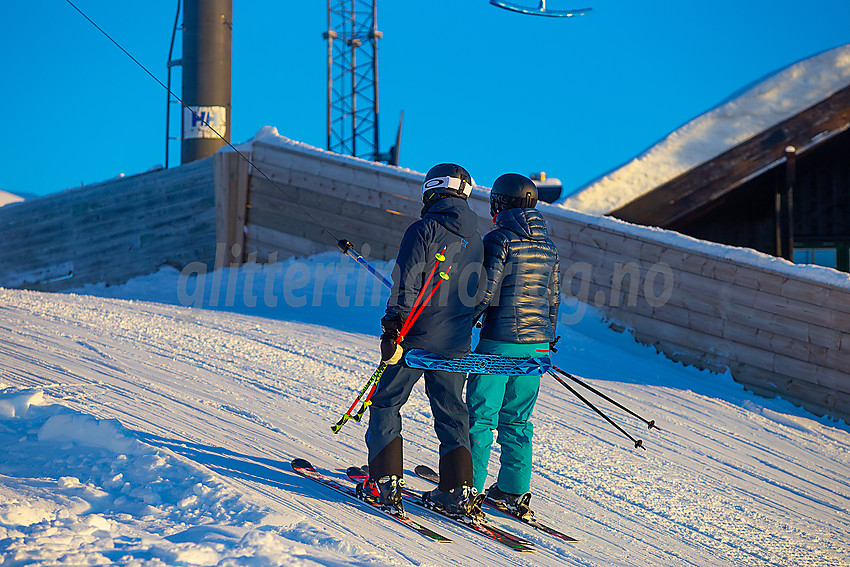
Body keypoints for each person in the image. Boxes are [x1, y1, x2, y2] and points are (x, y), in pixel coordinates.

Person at [360, 163, 485, 520]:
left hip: (415, 336)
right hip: (456, 341)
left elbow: (405, 283)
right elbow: (479, 294)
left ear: (430, 190)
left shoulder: (424, 228)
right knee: (452, 410)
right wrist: (460, 322)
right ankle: (457, 491)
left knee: (385, 403)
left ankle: (384, 484)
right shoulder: (476, 238)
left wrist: (391, 330)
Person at [466, 173, 560, 520]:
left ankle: (468, 488)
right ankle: (513, 490)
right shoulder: (549, 246)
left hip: (500, 343)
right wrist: (548, 338)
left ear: (500, 204)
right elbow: (554, 298)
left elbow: (484, 291)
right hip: (537, 348)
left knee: (481, 417)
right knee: (518, 421)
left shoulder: (500, 239)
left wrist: (466, 321)